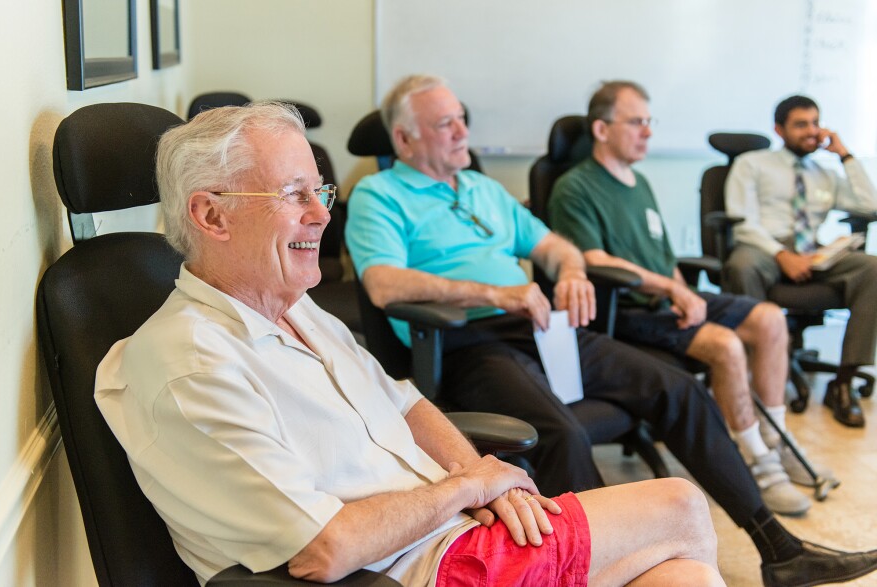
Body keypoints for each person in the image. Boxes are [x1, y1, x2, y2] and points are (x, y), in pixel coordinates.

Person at [94, 101, 726, 586]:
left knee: (677, 573)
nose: (321, 214)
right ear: (212, 216)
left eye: (319, 190)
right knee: (680, 508)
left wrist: (482, 474)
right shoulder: (191, 367)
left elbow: (403, 402)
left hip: (448, 535)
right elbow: (323, 549)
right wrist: (465, 489)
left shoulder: (296, 308)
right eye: (293, 195)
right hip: (413, 571)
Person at [345, 74, 877, 587]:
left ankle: (781, 551)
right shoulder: (380, 194)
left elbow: (553, 245)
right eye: (445, 124)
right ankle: (615, 568)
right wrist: (495, 293)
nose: (463, 131)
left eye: (462, 118)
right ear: (404, 138)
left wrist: (572, 272)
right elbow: (384, 283)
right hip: (464, 340)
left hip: (538, 326)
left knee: (679, 388)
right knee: (563, 434)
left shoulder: (482, 188)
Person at [547, 80, 833, 517]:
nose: (647, 132)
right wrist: (672, 290)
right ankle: (757, 464)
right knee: (725, 345)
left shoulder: (638, 181)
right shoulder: (575, 187)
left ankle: (776, 444)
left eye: (649, 121)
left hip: (664, 298)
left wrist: (683, 289)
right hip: (624, 309)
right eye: (637, 122)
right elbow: (592, 259)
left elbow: (663, 257)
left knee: (770, 319)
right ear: (602, 129)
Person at [723, 94, 877, 428]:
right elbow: (742, 221)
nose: (811, 131)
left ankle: (843, 383)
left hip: (813, 250)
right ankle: (752, 374)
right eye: (801, 124)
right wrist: (781, 254)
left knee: (872, 268)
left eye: (815, 123)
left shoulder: (824, 173)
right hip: (764, 247)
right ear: (779, 129)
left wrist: (846, 156)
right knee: (741, 265)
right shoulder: (752, 163)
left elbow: (870, 205)